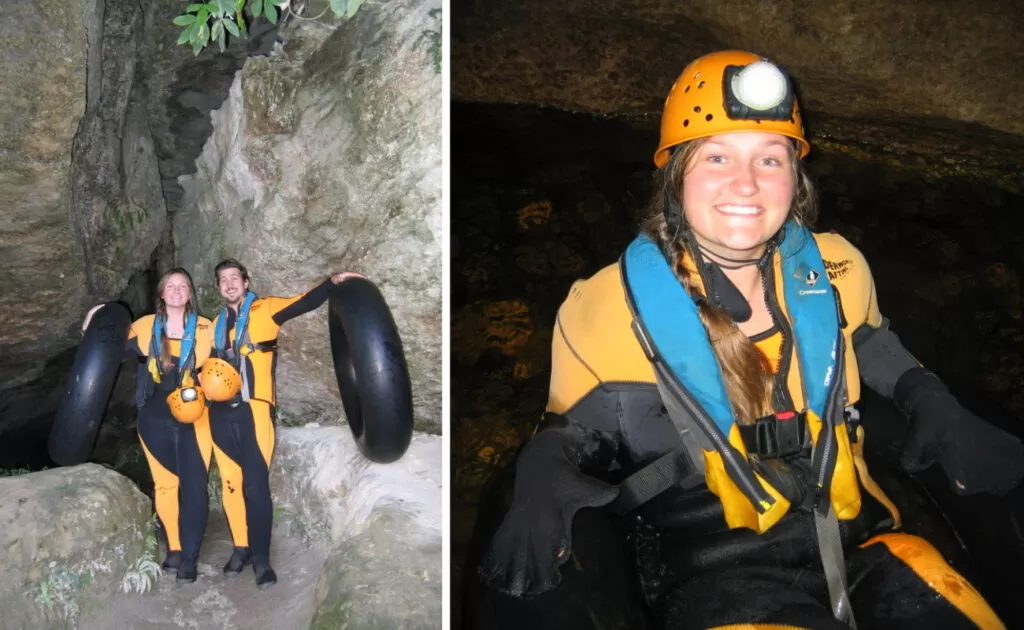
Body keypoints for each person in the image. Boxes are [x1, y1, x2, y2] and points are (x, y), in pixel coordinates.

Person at [478, 50, 1024, 629]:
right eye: (717, 157)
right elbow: (575, 435)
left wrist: (924, 392)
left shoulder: (839, 268)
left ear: (797, 177)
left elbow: (865, 342)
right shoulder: (602, 310)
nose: (746, 183)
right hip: (716, 571)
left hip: (858, 540)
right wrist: (542, 473)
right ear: (674, 177)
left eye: (770, 159)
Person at [202, 259, 358, 589]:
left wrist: (333, 282)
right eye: (223, 280)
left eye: (235, 278)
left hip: (254, 409)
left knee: (255, 484)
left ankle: (261, 559)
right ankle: (241, 548)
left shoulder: (266, 309)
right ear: (218, 288)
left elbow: (303, 301)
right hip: (219, 412)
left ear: (245, 283)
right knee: (230, 483)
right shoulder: (216, 324)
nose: (229, 284)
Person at [82, 268, 216, 584]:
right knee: (166, 486)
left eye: (183, 285)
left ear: (190, 293)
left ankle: (190, 558)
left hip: (195, 418)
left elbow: (230, 359)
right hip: (153, 419)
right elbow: (102, 347)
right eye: (170, 285)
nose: (177, 290)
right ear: (161, 292)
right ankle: (174, 548)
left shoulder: (207, 328)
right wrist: (95, 316)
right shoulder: (144, 327)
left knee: (194, 488)